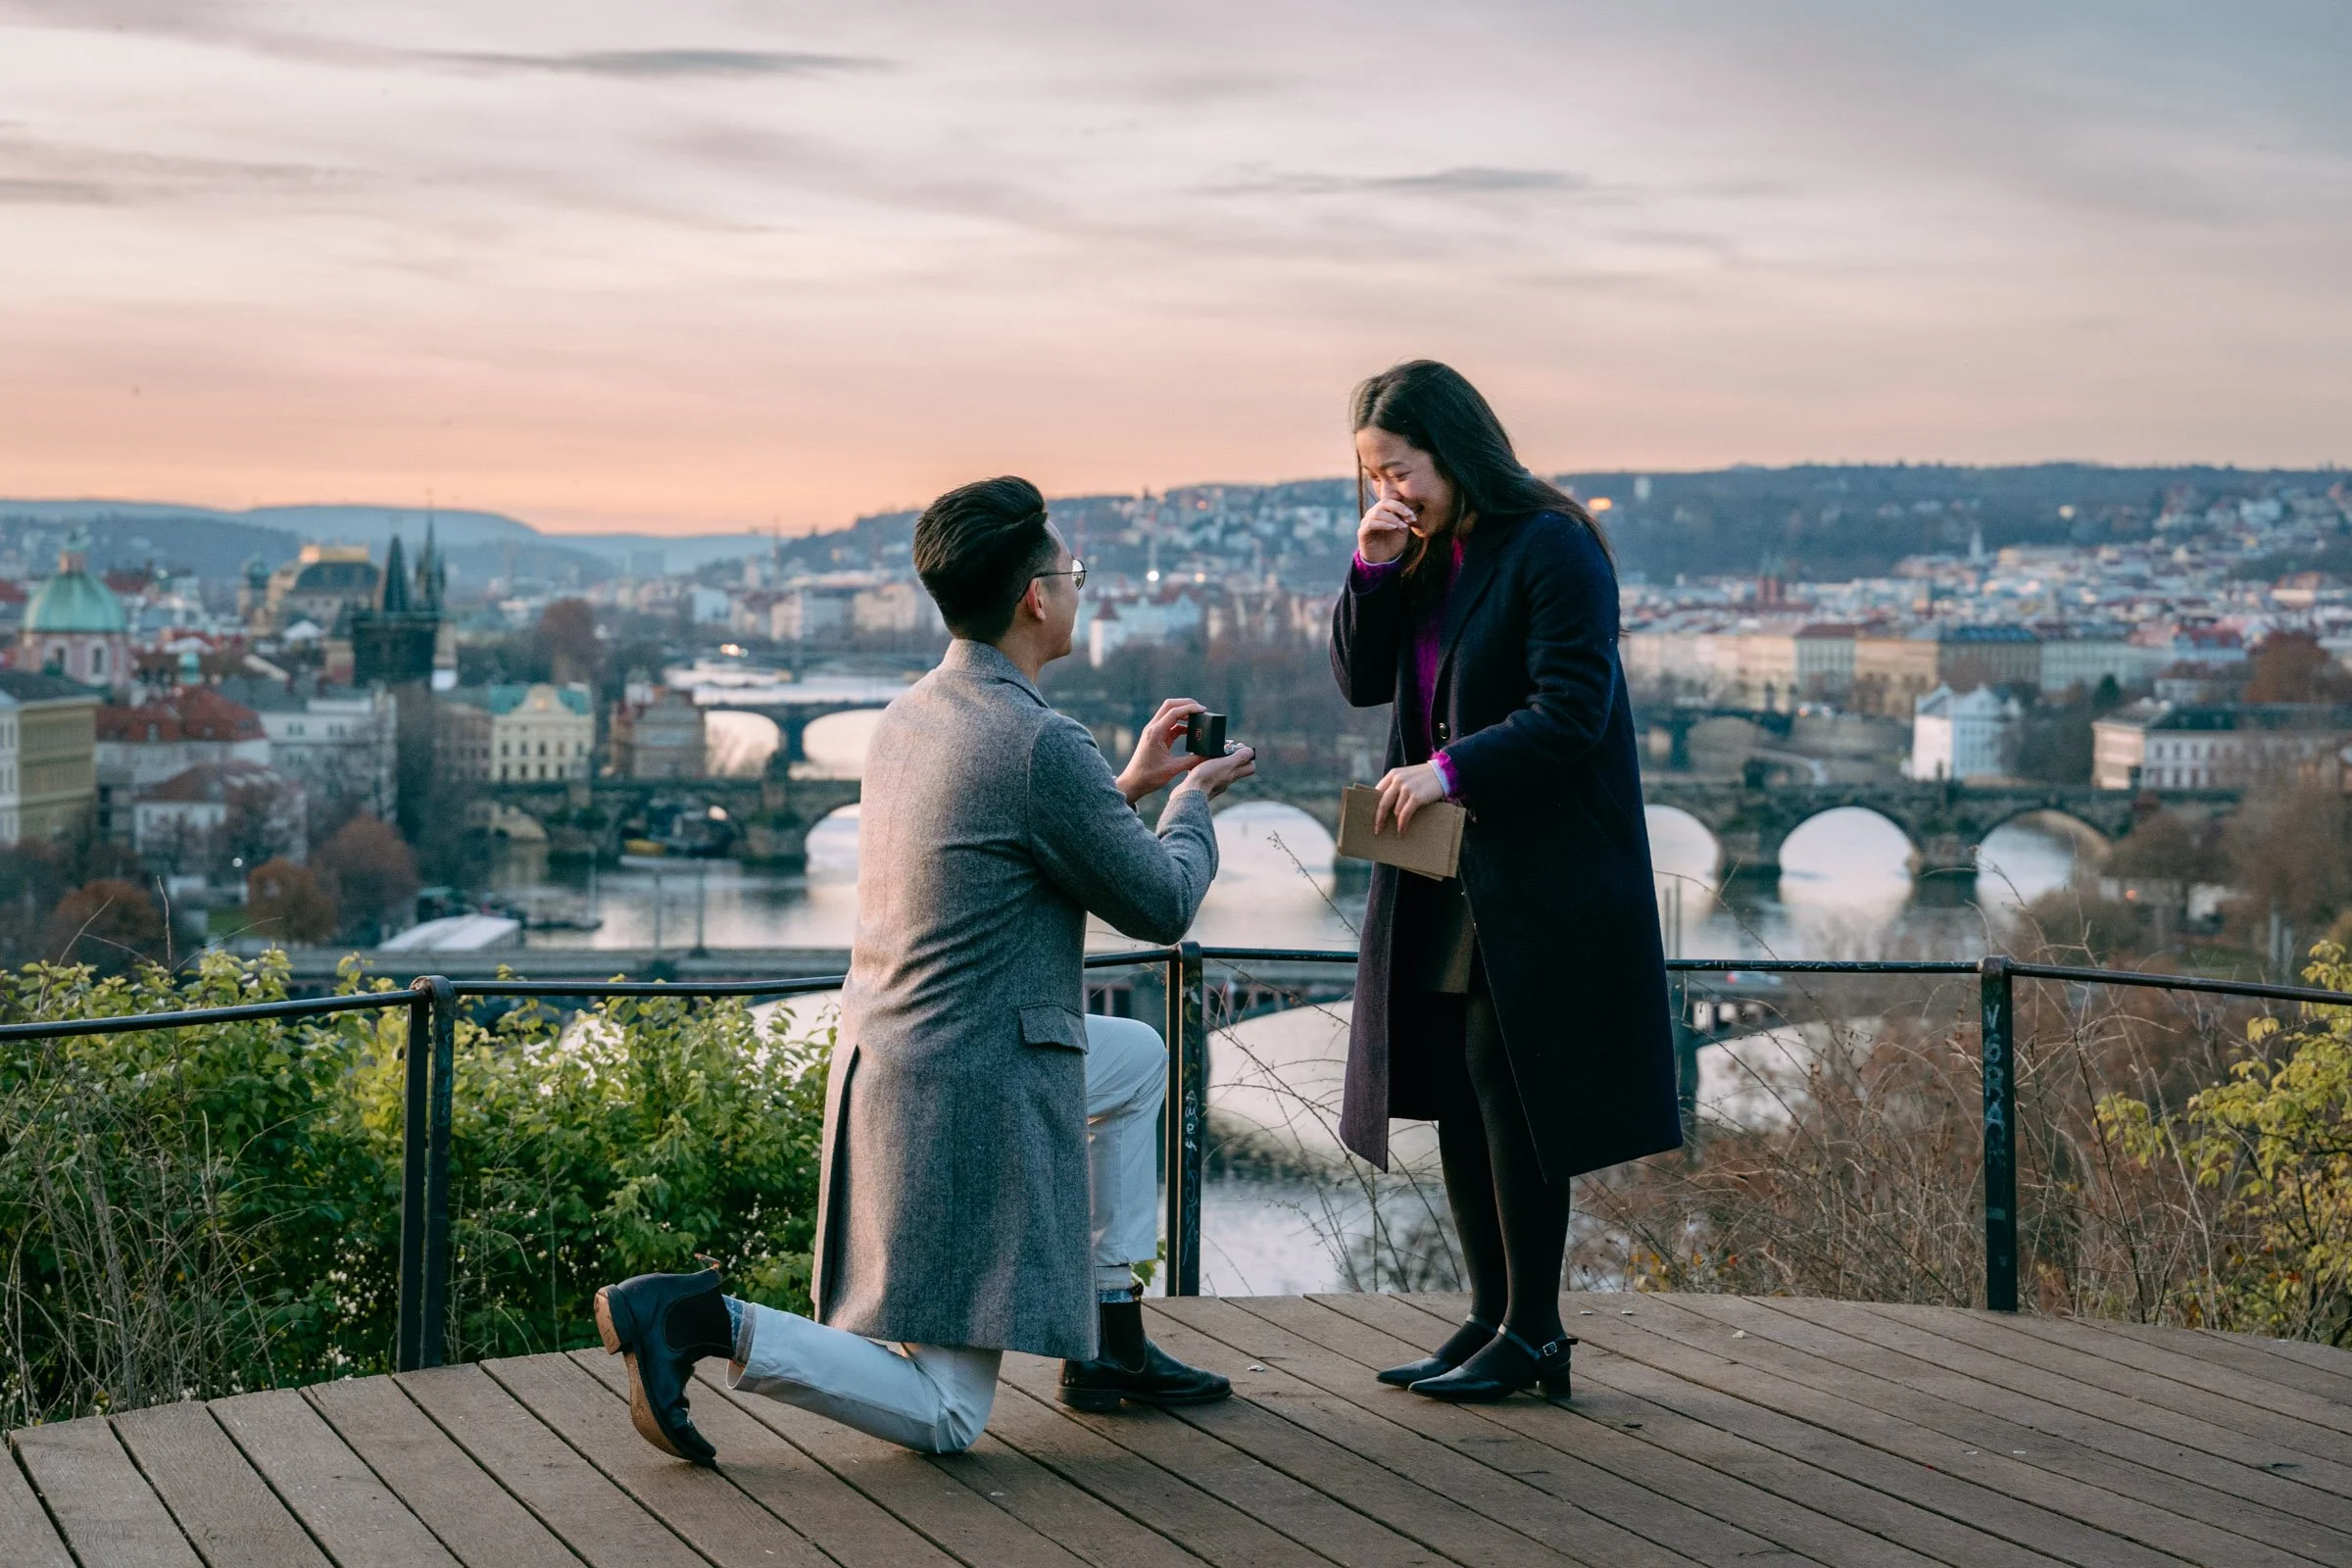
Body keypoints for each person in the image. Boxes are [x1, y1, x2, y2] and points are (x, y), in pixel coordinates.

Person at [596, 476, 1256, 1461]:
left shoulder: (910, 714)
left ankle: (1113, 1333)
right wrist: (1192, 799)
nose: (1076, 588)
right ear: (1036, 598)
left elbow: (1003, 835)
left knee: (1135, 1056)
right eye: (1070, 574)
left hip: (895, 1063)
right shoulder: (1038, 739)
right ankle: (701, 1321)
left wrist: (1120, 787)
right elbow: (1160, 904)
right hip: (967, 1092)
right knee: (949, 1414)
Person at [1331, 361, 1680, 1402]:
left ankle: (1535, 1331)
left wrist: (1449, 768)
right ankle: (1490, 1315)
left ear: (1457, 449)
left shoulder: (1554, 545)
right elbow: (1359, 681)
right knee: (1459, 1084)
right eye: (1371, 475)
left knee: (1508, 1078)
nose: (1389, 489)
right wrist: (1373, 568)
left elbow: (1574, 708)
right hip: (1448, 862)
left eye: (1401, 468)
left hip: (1542, 865)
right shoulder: (1427, 552)